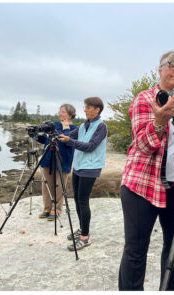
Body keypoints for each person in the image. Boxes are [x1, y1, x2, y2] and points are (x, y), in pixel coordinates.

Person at [117, 50, 174, 290]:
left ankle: (171, 288)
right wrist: (159, 121)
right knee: (136, 249)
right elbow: (142, 145)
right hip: (142, 186)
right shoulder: (145, 99)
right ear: (161, 68)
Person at [57, 97, 107, 251]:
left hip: (90, 168)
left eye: (87, 107)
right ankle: (82, 228)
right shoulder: (84, 125)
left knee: (83, 201)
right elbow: (69, 135)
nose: (84, 110)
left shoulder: (101, 126)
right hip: (78, 166)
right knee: (78, 200)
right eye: (85, 107)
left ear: (96, 109)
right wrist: (53, 133)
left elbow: (91, 146)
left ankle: (85, 237)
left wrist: (69, 141)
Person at [36, 104, 77, 221]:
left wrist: (64, 125)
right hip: (48, 158)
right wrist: (35, 135)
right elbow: (44, 139)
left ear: (70, 114)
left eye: (63, 112)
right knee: (46, 185)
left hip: (63, 160)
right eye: (60, 111)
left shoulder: (74, 128)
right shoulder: (54, 125)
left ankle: (57, 209)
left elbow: (68, 139)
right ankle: (47, 208)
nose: (60, 114)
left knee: (59, 186)